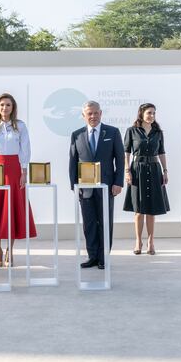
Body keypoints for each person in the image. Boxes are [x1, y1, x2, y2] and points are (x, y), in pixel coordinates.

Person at [0, 93, 36, 267]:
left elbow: (25, 149)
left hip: (13, 170)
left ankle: (10, 250)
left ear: (13, 107)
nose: (5, 108)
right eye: (2, 105)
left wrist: (24, 172)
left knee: (12, 210)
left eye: (8, 105)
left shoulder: (20, 126)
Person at [69, 101, 124, 270]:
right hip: (85, 189)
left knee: (105, 222)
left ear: (100, 113)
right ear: (84, 115)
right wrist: (74, 186)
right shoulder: (77, 134)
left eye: (95, 113)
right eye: (89, 114)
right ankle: (92, 256)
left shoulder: (112, 132)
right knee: (89, 223)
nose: (92, 116)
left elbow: (120, 159)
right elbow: (73, 161)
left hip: (106, 186)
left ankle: (103, 257)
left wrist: (118, 182)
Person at [123, 103, 170, 255]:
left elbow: (162, 152)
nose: (152, 116)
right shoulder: (132, 131)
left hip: (155, 170)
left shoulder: (158, 132)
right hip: (138, 170)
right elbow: (127, 152)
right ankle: (138, 241)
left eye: (154, 113)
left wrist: (165, 171)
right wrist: (127, 171)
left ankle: (151, 241)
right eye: (149, 113)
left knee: (151, 210)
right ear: (141, 114)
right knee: (138, 210)